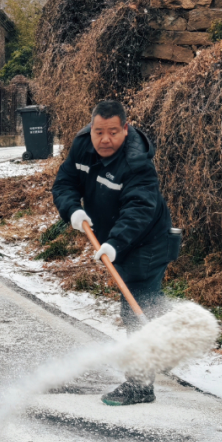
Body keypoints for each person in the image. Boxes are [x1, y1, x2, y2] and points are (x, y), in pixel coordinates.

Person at [51, 99, 180, 406]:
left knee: (136, 308)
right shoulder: (83, 146)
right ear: (91, 129)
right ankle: (166, 338)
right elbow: (65, 182)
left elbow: (139, 209)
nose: (105, 139)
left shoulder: (137, 162)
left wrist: (115, 243)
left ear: (125, 128)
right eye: (99, 132)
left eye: (112, 132)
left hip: (147, 241)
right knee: (144, 305)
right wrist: (72, 210)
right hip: (117, 238)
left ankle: (140, 385)